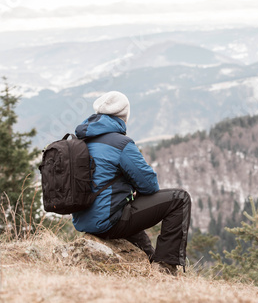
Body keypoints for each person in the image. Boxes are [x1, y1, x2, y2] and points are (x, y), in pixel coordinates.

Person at [71, 91, 191, 275]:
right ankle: (167, 267)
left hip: (84, 221)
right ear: (124, 116)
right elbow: (150, 185)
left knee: (136, 229)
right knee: (180, 199)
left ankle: (152, 265)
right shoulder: (120, 144)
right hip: (108, 221)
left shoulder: (81, 141)